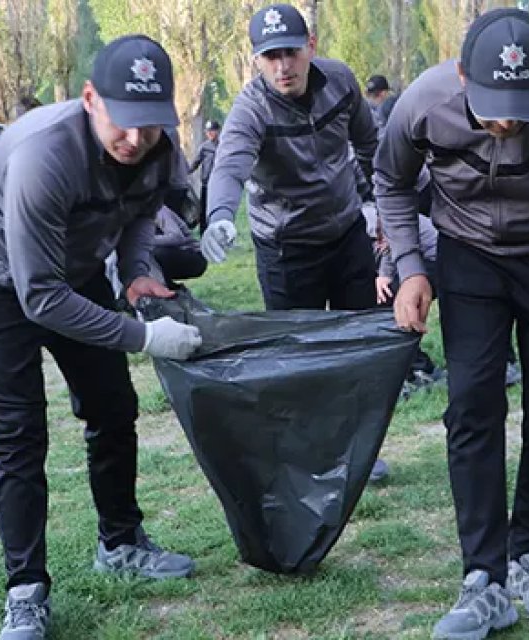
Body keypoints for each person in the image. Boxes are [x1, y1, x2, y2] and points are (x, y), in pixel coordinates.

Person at [0, 35, 204, 640]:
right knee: (18, 436)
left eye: (151, 123)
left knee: (113, 408)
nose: (136, 139)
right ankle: (26, 591)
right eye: (124, 122)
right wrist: (142, 338)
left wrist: (139, 270)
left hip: (78, 266)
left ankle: (120, 542)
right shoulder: (46, 157)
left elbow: (143, 212)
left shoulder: (158, 148)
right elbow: (41, 297)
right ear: (90, 99)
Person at [376, 9, 529, 639]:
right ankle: (481, 577)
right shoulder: (423, 103)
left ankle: (527, 554)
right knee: (472, 404)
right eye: (492, 105)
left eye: (522, 105)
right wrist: (408, 266)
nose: (508, 122)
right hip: (469, 259)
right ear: (462, 77)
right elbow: (390, 181)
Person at [202, 3, 390, 480]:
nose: (282, 66)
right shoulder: (251, 109)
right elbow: (229, 166)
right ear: (256, 61)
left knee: (356, 347)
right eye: (270, 57)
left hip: (346, 233)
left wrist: (386, 206)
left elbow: (371, 146)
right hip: (287, 249)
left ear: (311, 46)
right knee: (297, 359)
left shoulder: (342, 82)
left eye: (290, 52)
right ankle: (309, 458)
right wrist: (221, 214)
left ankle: (357, 452)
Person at [187, 119, 220, 231]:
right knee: (203, 210)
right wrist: (184, 173)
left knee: (217, 210)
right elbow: (195, 163)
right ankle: (204, 234)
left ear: (218, 131)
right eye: (208, 131)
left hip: (219, 185)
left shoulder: (223, 146)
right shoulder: (204, 147)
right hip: (206, 185)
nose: (210, 133)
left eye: (212, 131)